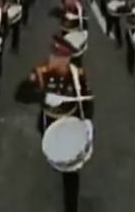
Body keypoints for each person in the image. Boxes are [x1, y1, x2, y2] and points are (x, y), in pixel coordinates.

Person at [15, 34, 94, 212]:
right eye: (52, 54)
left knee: (71, 171)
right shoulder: (41, 72)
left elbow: (87, 101)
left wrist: (88, 120)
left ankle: (71, 207)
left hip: (71, 123)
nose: (52, 59)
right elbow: (19, 94)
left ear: (66, 59)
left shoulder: (77, 74)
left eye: (57, 57)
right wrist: (41, 96)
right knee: (56, 157)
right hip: (49, 123)